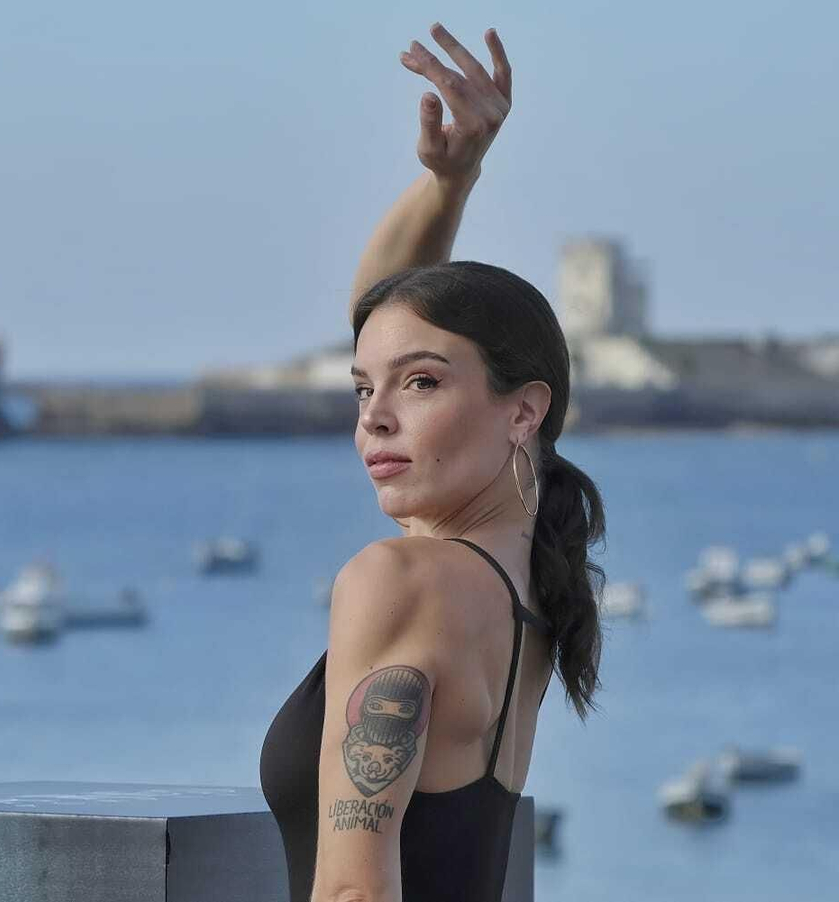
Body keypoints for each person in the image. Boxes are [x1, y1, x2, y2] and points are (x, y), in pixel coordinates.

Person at [258, 22, 607, 902]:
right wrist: (451, 180)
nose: (375, 418)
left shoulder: (404, 581)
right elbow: (389, 315)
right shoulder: (519, 587)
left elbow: (355, 890)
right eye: (360, 391)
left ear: (523, 410)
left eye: (418, 386)